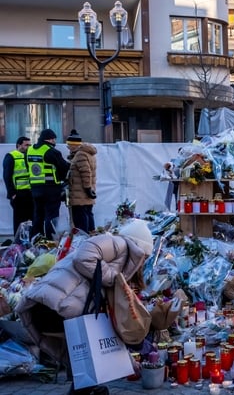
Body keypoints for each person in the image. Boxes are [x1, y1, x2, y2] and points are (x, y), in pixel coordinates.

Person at [15, 219, 153, 395]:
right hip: (53, 308)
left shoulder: (117, 256)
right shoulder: (118, 244)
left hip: (51, 308)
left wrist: (128, 362)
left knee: (85, 355)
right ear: (140, 248)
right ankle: (83, 390)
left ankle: (86, 388)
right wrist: (115, 279)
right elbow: (84, 256)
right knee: (87, 350)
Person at [27, 129, 70, 240]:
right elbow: (63, 167)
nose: (55, 141)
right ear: (50, 139)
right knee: (51, 217)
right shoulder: (51, 151)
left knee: (38, 216)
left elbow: (28, 168)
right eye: (54, 139)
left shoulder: (30, 150)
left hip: (35, 189)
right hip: (51, 189)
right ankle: (51, 241)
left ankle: (36, 240)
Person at [65, 130, 97, 233]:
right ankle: (91, 235)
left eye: (69, 145)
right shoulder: (88, 153)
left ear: (73, 145)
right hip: (85, 192)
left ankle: (84, 237)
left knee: (80, 217)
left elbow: (85, 173)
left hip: (80, 193)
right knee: (88, 213)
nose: (68, 147)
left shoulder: (80, 155)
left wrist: (87, 189)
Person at [3, 136, 33, 235]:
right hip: (19, 194)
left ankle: (31, 241)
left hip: (31, 193)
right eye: (26, 145)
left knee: (32, 220)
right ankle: (18, 242)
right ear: (19, 145)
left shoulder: (31, 156)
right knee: (19, 221)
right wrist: (12, 194)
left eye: (30, 145)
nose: (29, 147)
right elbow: (7, 176)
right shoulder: (11, 156)